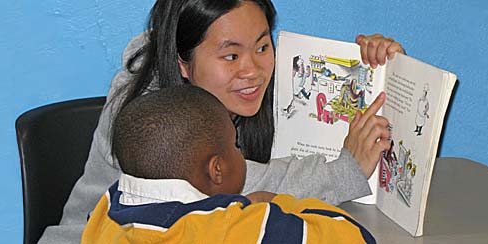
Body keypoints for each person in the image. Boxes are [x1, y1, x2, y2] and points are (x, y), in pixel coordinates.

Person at [39, 1, 405, 243]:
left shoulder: (245, 84)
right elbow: (252, 180)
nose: (253, 70)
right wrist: (348, 169)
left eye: (262, 47)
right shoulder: (150, 120)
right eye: (231, 55)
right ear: (182, 62)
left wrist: (380, 69)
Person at [82, 84, 376, 243]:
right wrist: (280, 204)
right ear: (217, 169)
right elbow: (355, 237)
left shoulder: (105, 210)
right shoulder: (235, 229)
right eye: (235, 145)